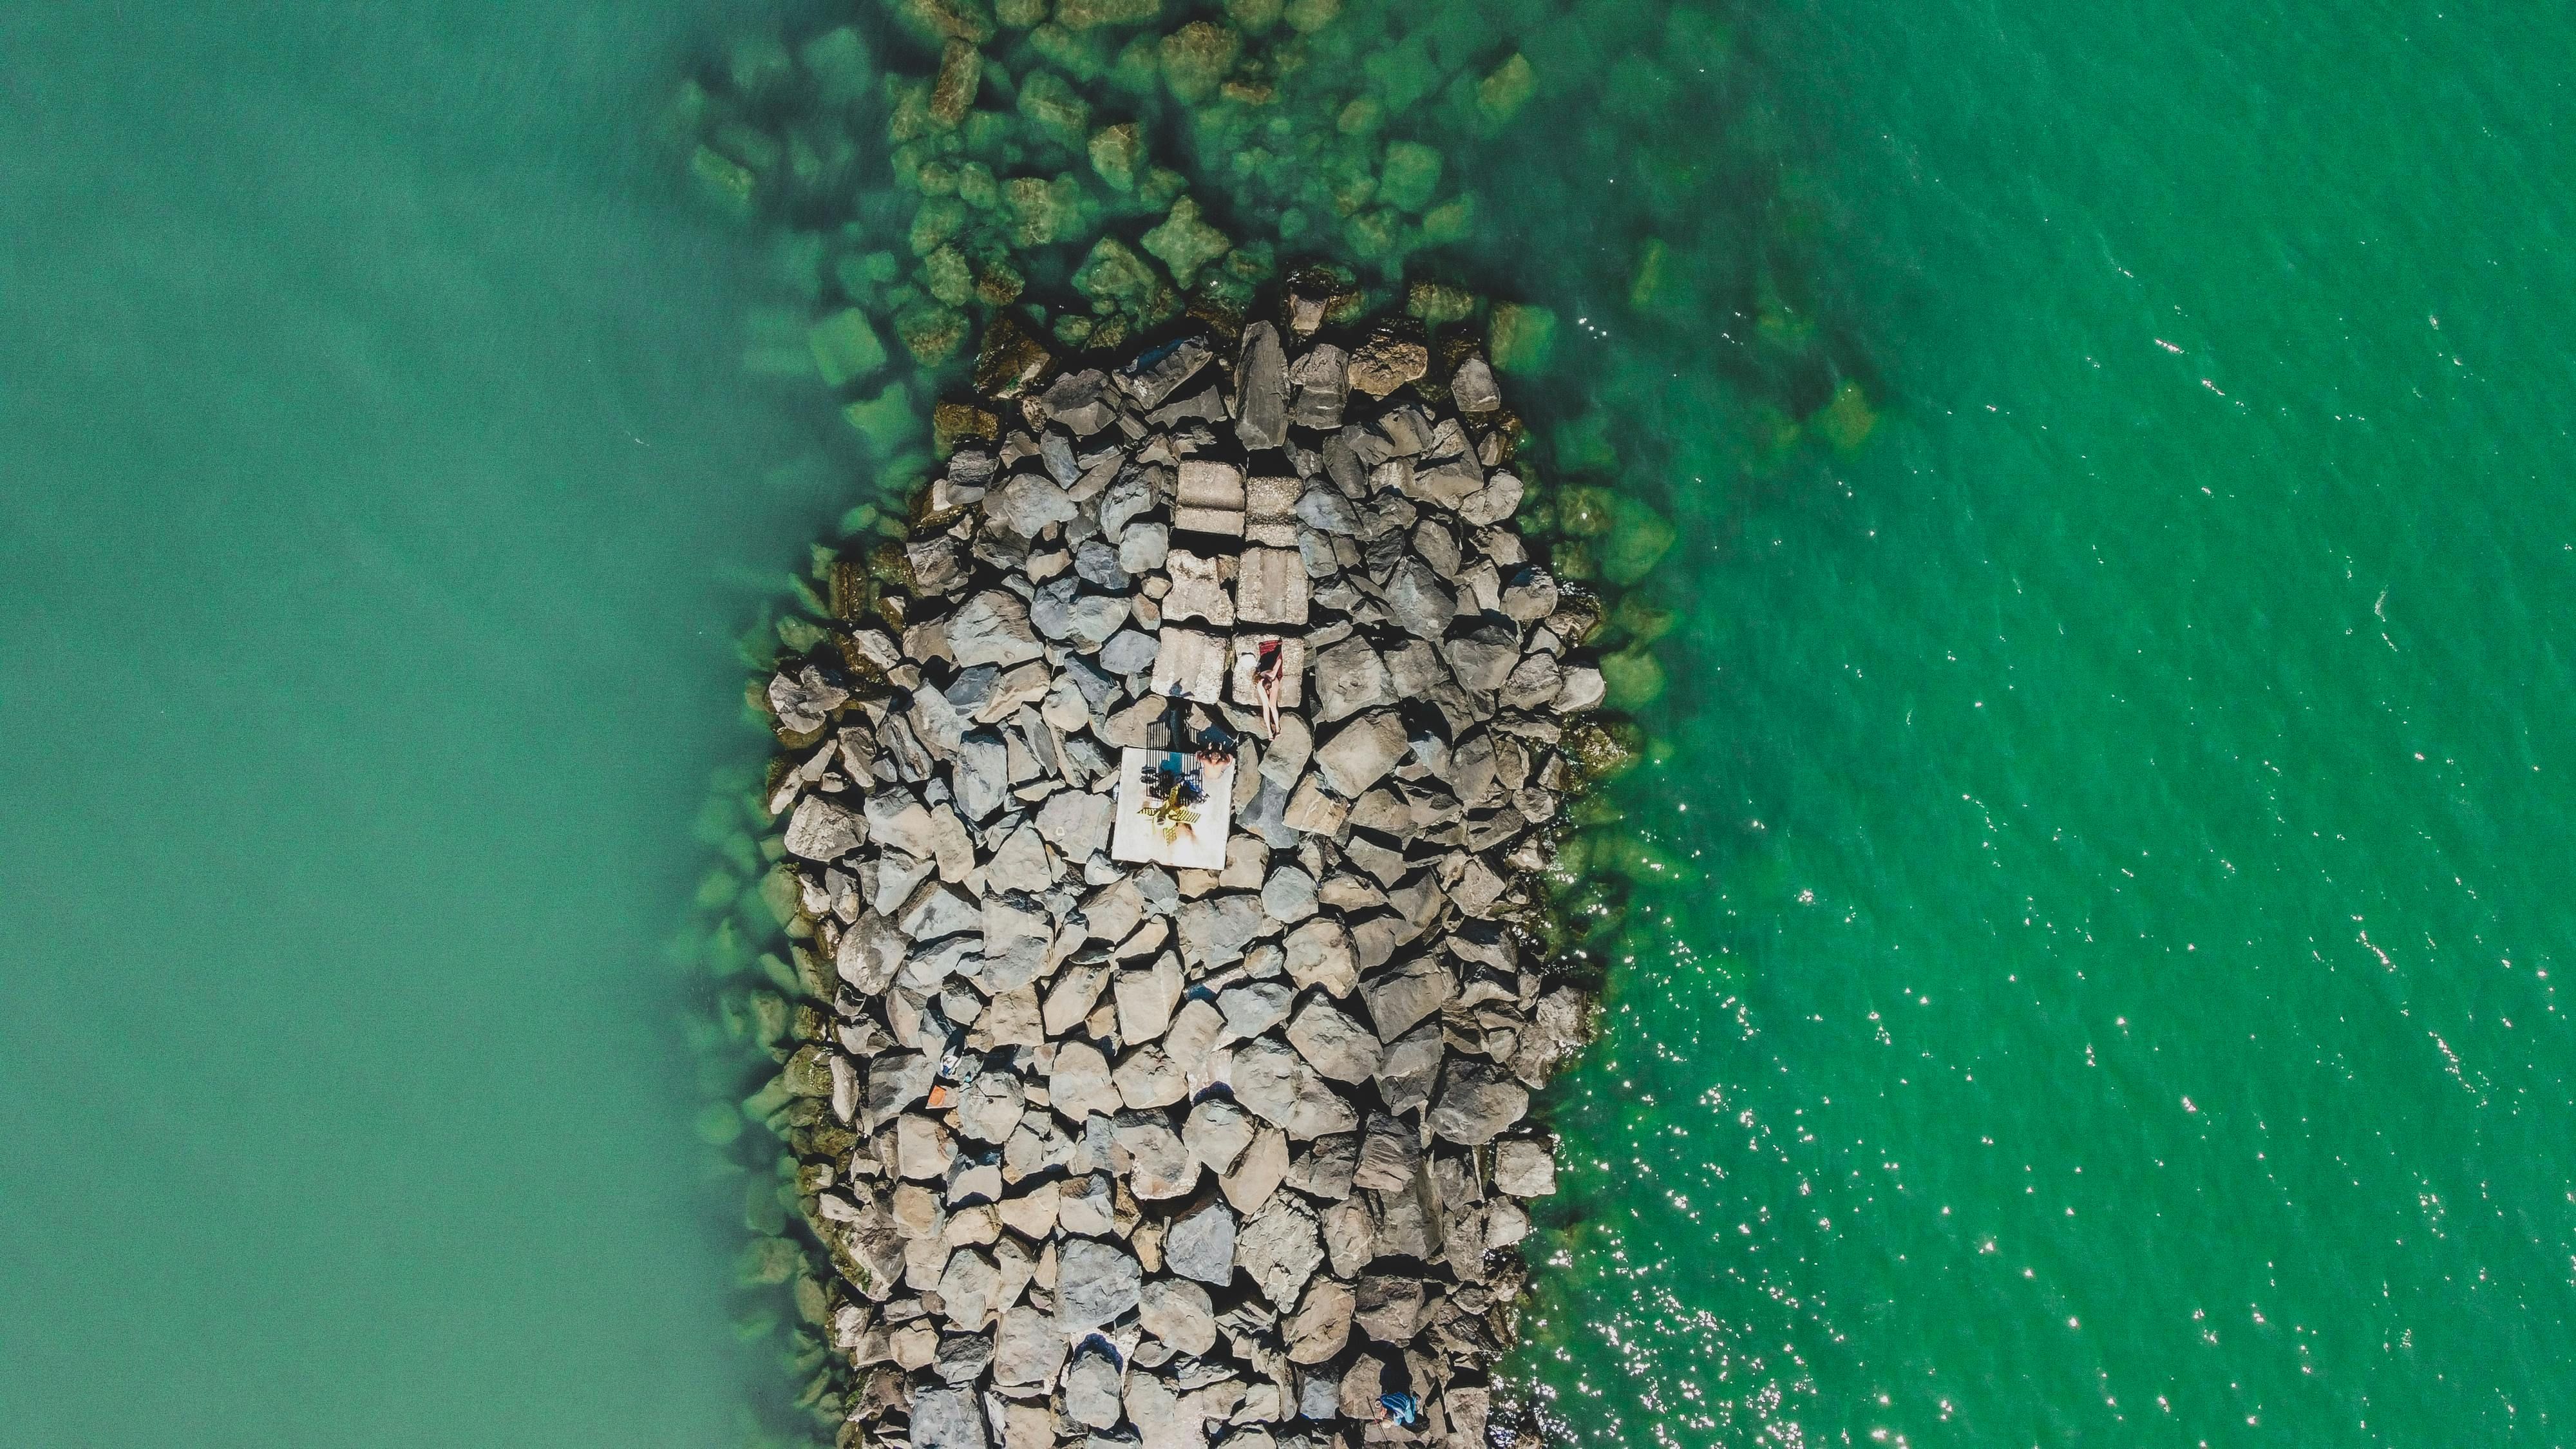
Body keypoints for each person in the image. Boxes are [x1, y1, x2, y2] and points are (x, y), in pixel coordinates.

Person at [1251, 638, 1285, 734]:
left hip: (1271, 677)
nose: (1268, 693)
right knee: (1267, 706)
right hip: (1267, 679)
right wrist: (1270, 733)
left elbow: (1279, 661)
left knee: (1272, 706)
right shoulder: (1260, 684)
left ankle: (1278, 729)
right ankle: (1271, 731)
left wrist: (1280, 649)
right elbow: (1266, 709)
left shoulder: (1272, 676)